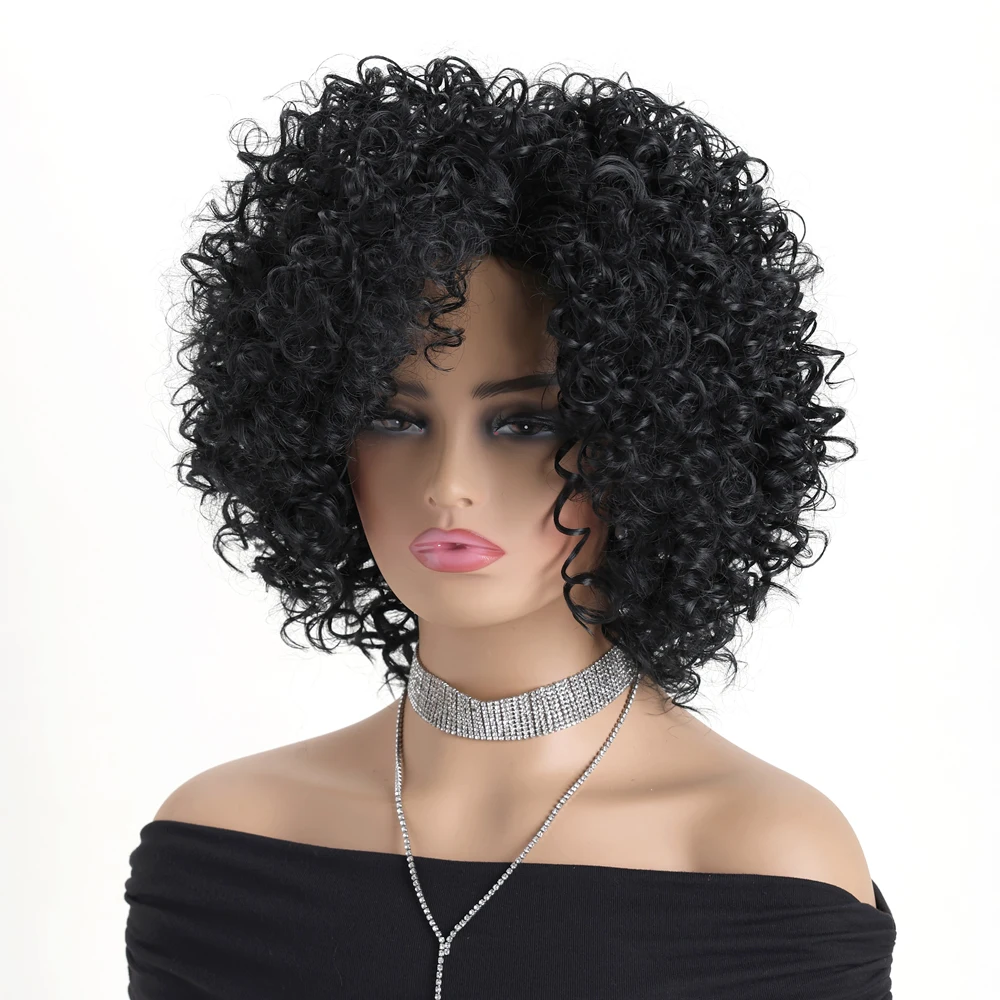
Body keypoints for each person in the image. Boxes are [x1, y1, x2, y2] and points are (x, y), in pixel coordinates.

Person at [123, 54, 896, 999]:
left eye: (526, 425)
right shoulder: (224, 848)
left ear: (651, 443)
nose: (449, 487)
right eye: (395, 419)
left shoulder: (763, 868)